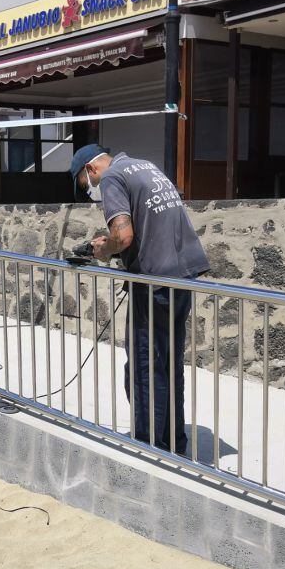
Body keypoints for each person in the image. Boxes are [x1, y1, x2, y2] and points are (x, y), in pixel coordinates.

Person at [70, 144, 210, 456]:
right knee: (170, 363)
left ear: (90, 170)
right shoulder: (144, 163)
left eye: (85, 184)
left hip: (154, 281)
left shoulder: (111, 179)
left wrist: (103, 251)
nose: (91, 190)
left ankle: (150, 445)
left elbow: (125, 237)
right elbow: (147, 224)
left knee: (146, 366)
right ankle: (174, 442)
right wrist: (113, 242)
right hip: (181, 274)